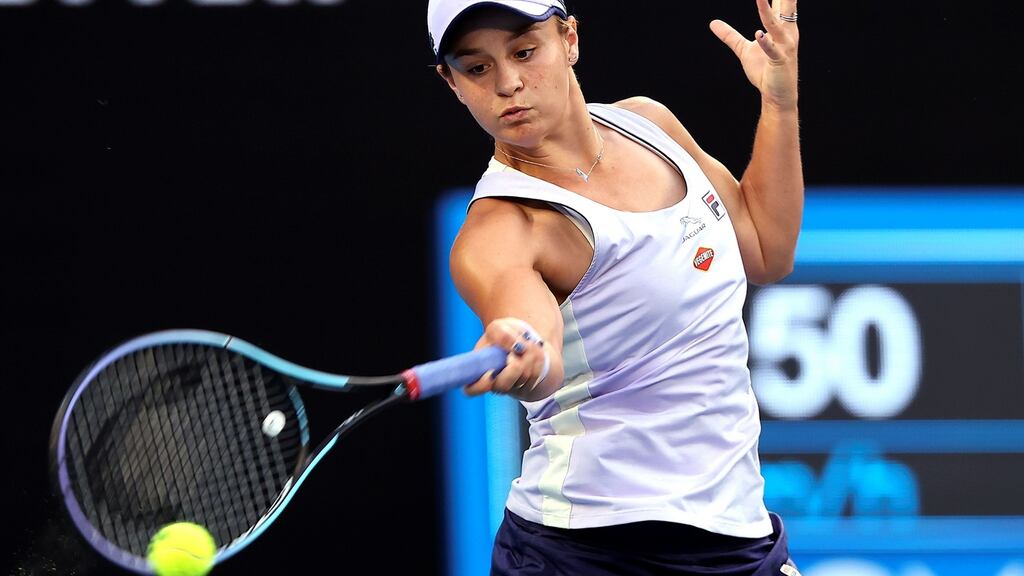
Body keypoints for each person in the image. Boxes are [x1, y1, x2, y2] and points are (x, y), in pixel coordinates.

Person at [427, 0, 803, 574]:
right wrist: (523, 349)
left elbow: (766, 250)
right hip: (585, 551)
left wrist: (779, 100)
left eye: (525, 52)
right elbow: (537, 345)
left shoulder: (648, 124)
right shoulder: (502, 228)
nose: (508, 83)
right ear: (451, 83)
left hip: (737, 535)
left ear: (570, 39)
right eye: (476, 68)